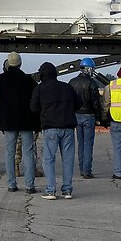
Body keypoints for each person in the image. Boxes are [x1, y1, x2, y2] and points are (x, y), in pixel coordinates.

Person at [30, 61, 80, 199]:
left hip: (50, 127)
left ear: (42, 75)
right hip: (68, 127)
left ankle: (51, 190)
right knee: (68, 159)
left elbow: (33, 108)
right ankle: (67, 190)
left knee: (49, 159)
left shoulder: (40, 89)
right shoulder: (67, 87)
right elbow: (78, 103)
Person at [0, 50, 39, 193]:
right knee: (28, 152)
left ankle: (11, 184)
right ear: (20, 64)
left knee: (9, 152)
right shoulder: (29, 80)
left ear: (8, 63)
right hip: (26, 121)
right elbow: (35, 103)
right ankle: (30, 185)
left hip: (8, 122)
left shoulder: (0, 80)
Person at [69, 57, 103, 180]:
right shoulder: (92, 84)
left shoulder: (72, 82)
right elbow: (96, 103)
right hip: (89, 116)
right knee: (88, 144)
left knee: (80, 144)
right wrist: (99, 117)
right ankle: (87, 171)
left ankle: (81, 168)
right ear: (89, 69)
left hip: (76, 115)